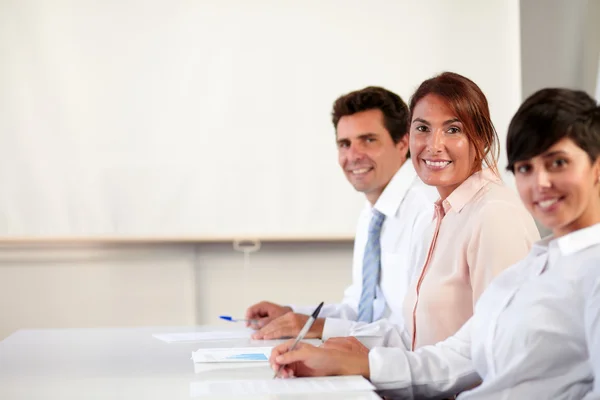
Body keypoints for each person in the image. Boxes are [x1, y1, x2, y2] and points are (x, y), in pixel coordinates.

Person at [269, 88, 600, 399]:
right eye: (525, 168)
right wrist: (356, 361)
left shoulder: (501, 218)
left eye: (558, 163)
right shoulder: (536, 263)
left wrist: (361, 359)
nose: (540, 183)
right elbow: (462, 348)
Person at [336, 72, 540, 351]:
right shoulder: (440, 216)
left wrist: (375, 366)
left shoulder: (494, 215)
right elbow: (416, 337)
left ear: (480, 139)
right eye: (423, 129)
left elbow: (496, 348)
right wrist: (337, 345)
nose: (433, 145)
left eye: (452, 129)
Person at [245, 86, 437, 341]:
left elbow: (420, 334)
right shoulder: (373, 212)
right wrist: (293, 316)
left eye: (368, 140)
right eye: (344, 144)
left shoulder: (428, 211)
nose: (353, 156)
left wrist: (317, 328)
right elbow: (360, 311)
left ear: (403, 143)